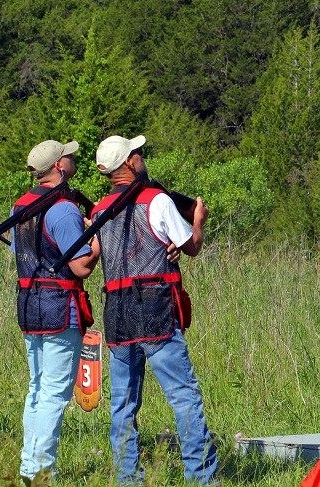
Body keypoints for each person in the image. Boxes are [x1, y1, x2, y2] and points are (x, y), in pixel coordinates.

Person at [92, 135, 217, 485]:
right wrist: (199, 220)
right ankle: (201, 479)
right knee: (184, 397)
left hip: (116, 314)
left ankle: (127, 478)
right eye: (138, 153)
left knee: (123, 406)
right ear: (129, 163)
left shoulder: (100, 210)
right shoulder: (157, 200)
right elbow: (190, 247)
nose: (142, 157)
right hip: (155, 310)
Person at [13, 140, 101, 479]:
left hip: (30, 304)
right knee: (54, 393)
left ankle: (29, 466)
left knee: (37, 388)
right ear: (59, 167)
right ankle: (39, 471)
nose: (73, 156)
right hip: (60, 306)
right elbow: (80, 268)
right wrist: (97, 238)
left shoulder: (21, 205)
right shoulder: (63, 210)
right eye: (68, 155)